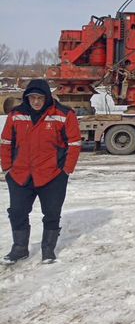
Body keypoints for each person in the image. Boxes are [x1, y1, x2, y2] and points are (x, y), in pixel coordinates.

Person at [1, 79, 82, 264]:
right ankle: (19, 248)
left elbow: (75, 144)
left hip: (52, 175)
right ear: (26, 98)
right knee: (17, 212)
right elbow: (6, 142)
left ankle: (48, 250)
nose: (36, 101)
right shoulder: (16, 115)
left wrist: (66, 170)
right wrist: (7, 169)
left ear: (47, 97)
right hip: (21, 175)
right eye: (32, 98)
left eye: (40, 97)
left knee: (52, 214)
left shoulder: (63, 114)